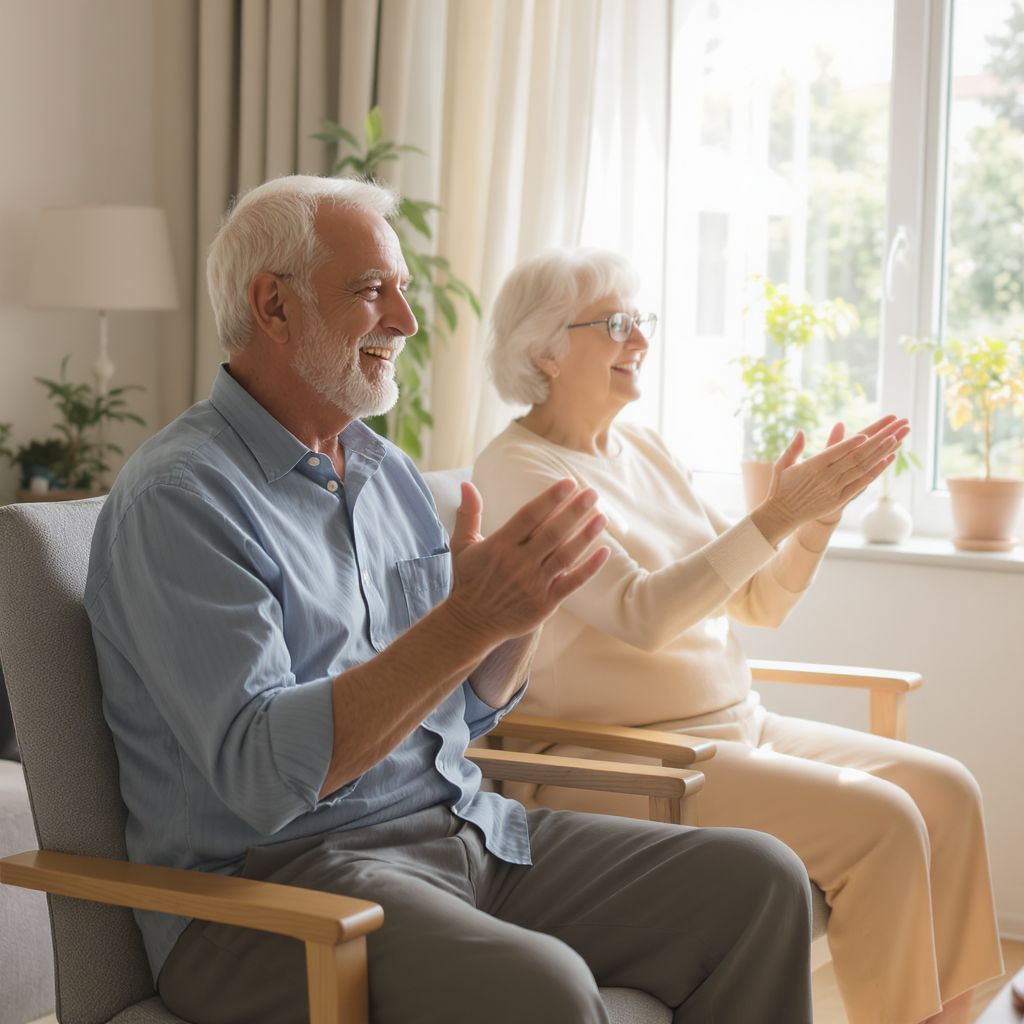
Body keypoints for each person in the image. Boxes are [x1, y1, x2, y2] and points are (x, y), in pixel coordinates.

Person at [84, 177, 816, 1024]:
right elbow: (264, 778)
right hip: (272, 895)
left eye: (401, 289)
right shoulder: (183, 499)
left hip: (459, 833)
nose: (406, 318)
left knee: (759, 882)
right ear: (273, 307)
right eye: (371, 291)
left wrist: (518, 619)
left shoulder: (386, 474)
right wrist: (468, 620)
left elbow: (456, 715)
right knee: (542, 991)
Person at [472, 248, 1004, 1024]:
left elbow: (757, 601)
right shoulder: (520, 469)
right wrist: (776, 514)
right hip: (613, 756)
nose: (640, 340)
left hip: (732, 729)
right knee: (883, 823)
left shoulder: (645, 448)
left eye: (640, 321)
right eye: (616, 324)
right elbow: (642, 614)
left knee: (948, 792)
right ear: (542, 350)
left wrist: (816, 518)